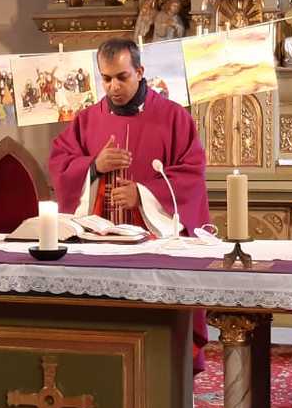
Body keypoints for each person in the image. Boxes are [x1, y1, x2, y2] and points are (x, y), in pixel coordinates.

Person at [49, 37, 213, 368]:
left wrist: (142, 194)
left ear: (139, 71)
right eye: (106, 78)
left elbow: (191, 174)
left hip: (155, 248)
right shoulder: (87, 119)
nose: (113, 87)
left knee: (156, 340)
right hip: (99, 246)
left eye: (122, 77)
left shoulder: (173, 117)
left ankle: (167, 384)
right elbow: (60, 164)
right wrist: (94, 166)